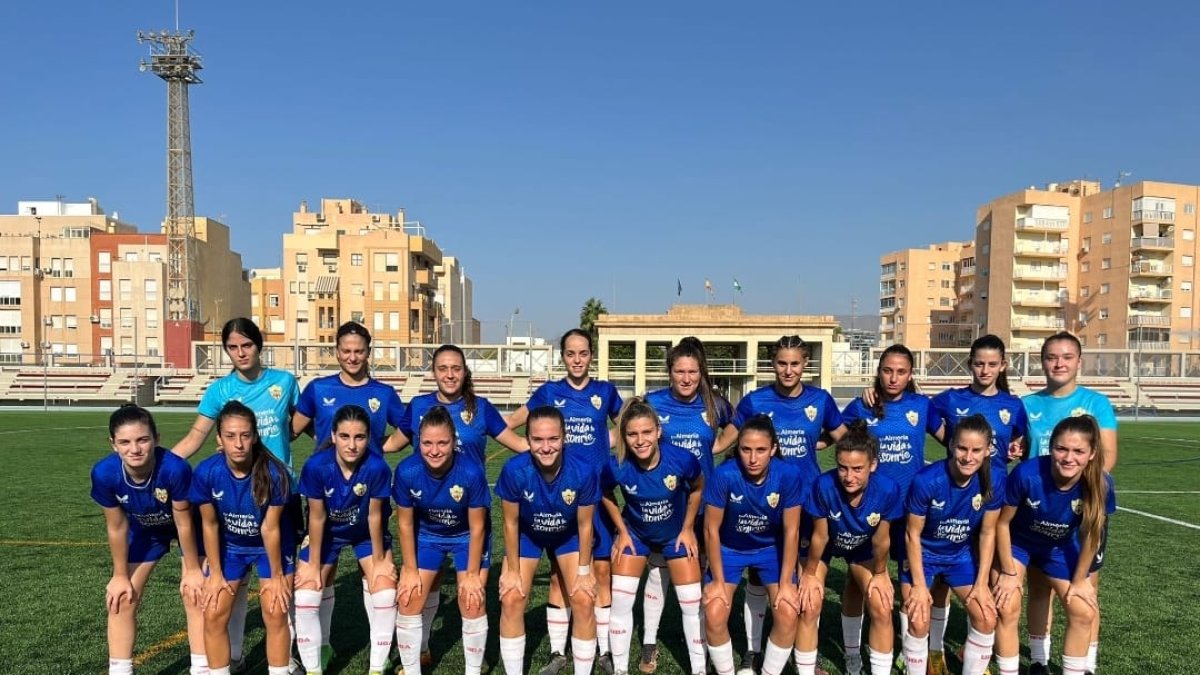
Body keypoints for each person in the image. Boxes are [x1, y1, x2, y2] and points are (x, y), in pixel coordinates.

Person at [172, 318, 300, 673]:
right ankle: (233, 657)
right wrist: (162, 466)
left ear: (259, 346)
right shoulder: (219, 391)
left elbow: (303, 423)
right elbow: (196, 435)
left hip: (277, 493)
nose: (241, 352)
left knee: (277, 600)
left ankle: (282, 662)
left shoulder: (284, 382)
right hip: (232, 495)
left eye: (247, 345)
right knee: (225, 596)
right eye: (233, 347)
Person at [389, 343, 526, 665]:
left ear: (465, 372)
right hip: (427, 521)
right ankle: (420, 651)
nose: (449, 374)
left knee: (471, 595)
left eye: (456, 368)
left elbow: (518, 443)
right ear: (433, 372)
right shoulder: (418, 406)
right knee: (419, 588)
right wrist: (345, 444)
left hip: (469, 521)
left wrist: (559, 449)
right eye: (442, 368)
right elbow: (391, 444)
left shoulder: (481, 408)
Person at [721, 335, 846, 673]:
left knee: (807, 580)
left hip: (805, 505)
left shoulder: (821, 401)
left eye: (795, 363)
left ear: (806, 364)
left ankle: (807, 651)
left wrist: (822, 440)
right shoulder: (754, 401)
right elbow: (723, 443)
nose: (788, 370)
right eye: (781, 363)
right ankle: (753, 648)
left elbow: (848, 441)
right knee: (762, 578)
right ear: (772, 364)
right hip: (762, 504)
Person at [506, 329, 623, 673]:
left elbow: (626, 427)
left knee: (600, 572)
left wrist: (612, 445)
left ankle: (601, 649)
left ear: (591, 355)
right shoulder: (549, 392)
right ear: (563, 357)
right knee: (559, 574)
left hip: (596, 493)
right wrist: (525, 448)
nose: (577, 359)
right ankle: (559, 652)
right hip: (553, 492)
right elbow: (511, 423)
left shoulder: (605, 392)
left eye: (583, 353)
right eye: (570, 353)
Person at [291, 321, 407, 669]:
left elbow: (406, 428)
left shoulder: (383, 393)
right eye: (346, 350)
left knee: (379, 581)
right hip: (325, 492)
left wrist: (381, 448)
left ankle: (379, 659)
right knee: (315, 579)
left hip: (366, 493)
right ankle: (320, 648)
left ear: (367, 352)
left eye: (359, 351)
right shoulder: (318, 389)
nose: (353, 357)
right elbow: (292, 430)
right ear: (336, 352)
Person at [925, 333, 1027, 671]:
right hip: (953, 498)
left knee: (981, 578)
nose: (985, 370)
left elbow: (1019, 442)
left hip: (991, 504)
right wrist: (947, 441)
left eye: (992, 364)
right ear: (970, 364)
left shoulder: (1013, 405)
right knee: (941, 580)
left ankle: (975, 654)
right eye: (979, 363)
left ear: (1003, 366)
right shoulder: (952, 399)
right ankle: (935, 652)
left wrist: (1016, 450)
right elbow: (922, 411)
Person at [1018, 332, 1118, 675]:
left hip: (1078, 511)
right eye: (1051, 357)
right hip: (1036, 510)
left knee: (1085, 590)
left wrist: (1074, 498)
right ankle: (1039, 660)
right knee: (1038, 588)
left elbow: (1107, 459)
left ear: (1079, 361)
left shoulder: (1096, 403)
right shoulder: (1027, 404)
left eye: (1066, 357)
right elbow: (1017, 448)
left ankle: (1085, 664)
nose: (1058, 363)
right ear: (1042, 361)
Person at [841, 344, 943, 672]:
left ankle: (909, 649)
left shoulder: (922, 406)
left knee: (908, 580)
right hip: (871, 510)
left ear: (910, 374)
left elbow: (951, 438)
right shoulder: (862, 405)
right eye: (887, 370)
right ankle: (852, 651)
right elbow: (836, 437)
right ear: (878, 371)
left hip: (911, 511)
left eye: (901, 371)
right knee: (860, 582)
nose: (893, 377)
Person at [640, 337, 735, 672]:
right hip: (663, 502)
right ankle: (650, 643)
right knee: (658, 568)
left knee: (703, 569)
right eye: (679, 371)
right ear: (669, 372)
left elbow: (737, 428)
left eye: (692, 371)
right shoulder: (652, 402)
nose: (686, 378)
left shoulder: (715, 405)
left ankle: (704, 642)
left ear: (701, 372)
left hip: (703, 501)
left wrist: (716, 450)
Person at [993, 415, 1114, 675]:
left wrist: (1081, 579)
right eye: (1061, 448)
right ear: (1051, 448)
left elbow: (1093, 534)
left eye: (1078, 451)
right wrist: (1008, 572)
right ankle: (1031, 665)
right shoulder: (1027, 473)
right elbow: (1002, 525)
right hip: (1018, 544)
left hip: (1059, 546)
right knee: (1007, 603)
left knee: (1083, 611)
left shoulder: (1101, 485)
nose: (1069, 458)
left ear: (1092, 453)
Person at [91, 405, 206, 675]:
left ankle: (202, 667)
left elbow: (184, 521)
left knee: (195, 593)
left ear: (156, 438)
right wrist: (120, 575)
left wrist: (191, 570)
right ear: (113, 445)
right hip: (144, 529)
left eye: (142, 439)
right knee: (121, 597)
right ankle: (120, 670)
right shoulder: (104, 474)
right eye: (125, 442)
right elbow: (117, 526)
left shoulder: (175, 469)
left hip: (190, 527)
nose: (135, 449)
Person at [601, 398, 706, 675]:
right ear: (623, 436)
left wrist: (687, 528)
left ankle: (698, 669)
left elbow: (697, 488)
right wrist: (622, 532)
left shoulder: (682, 459)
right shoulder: (617, 465)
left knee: (692, 602)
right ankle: (621, 669)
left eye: (646, 432)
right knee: (621, 601)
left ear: (658, 431)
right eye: (632, 434)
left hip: (675, 536)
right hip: (636, 535)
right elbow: (605, 494)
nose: (640, 440)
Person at [191, 401, 295, 675]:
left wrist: (275, 576)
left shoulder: (275, 473)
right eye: (230, 436)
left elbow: (270, 529)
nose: (238, 443)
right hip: (231, 548)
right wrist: (214, 573)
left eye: (245, 435)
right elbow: (210, 525)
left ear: (255, 436)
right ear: (219, 440)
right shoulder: (206, 472)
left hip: (269, 548)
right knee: (213, 612)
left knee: (275, 610)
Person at [495, 406, 600, 675]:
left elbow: (585, 524)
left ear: (564, 438)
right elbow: (510, 523)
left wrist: (585, 571)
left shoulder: (583, 471)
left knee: (584, 598)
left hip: (568, 537)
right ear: (528, 440)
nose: (546, 447)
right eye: (538, 439)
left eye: (553, 439)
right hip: (528, 535)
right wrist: (513, 572)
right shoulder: (514, 470)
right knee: (511, 597)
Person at [293, 405, 396, 675]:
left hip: (364, 534)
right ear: (333, 435)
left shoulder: (377, 467)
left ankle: (377, 665)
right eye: (345, 436)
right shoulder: (316, 466)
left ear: (368, 437)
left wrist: (379, 561)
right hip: (327, 534)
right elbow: (316, 518)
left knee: (384, 589)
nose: (352, 445)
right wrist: (313, 564)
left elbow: (375, 517)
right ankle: (316, 663)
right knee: (305, 592)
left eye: (359, 437)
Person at [797, 420, 902, 675]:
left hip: (863, 546)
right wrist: (809, 575)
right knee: (809, 602)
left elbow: (881, 539)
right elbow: (820, 537)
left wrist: (880, 573)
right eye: (842, 468)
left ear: (873, 465)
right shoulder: (823, 485)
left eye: (857, 469)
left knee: (881, 603)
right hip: (826, 544)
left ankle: (856, 659)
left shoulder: (888, 489)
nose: (849, 476)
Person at [899, 414, 1002, 675]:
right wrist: (920, 587)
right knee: (919, 619)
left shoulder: (995, 481)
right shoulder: (927, 480)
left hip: (960, 557)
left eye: (977, 450)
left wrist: (981, 584)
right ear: (952, 445)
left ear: (988, 450)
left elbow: (988, 533)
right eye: (962, 448)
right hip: (922, 556)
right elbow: (912, 534)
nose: (968, 457)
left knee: (987, 616)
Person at [392, 405, 492, 675]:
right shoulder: (406, 471)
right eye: (427, 443)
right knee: (409, 597)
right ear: (418, 442)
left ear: (454, 441)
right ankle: (416, 662)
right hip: (428, 536)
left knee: (471, 600)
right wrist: (410, 569)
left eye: (442, 443)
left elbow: (478, 526)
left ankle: (474, 668)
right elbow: (404, 522)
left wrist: (472, 573)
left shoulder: (471, 472)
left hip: (467, 538)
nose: (434, 450)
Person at [703, 414, 806, 675]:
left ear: (773, 449)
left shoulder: (789, 475)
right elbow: (711, 530)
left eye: (761, 450)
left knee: (787, 611)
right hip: (729, 549)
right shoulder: (724, 474)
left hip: (771, 550)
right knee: (715, 611)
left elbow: (792, 530)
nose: (752, 458)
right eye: (746, 449)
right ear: (737, 448)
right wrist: (716, 580)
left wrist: (785, 583)